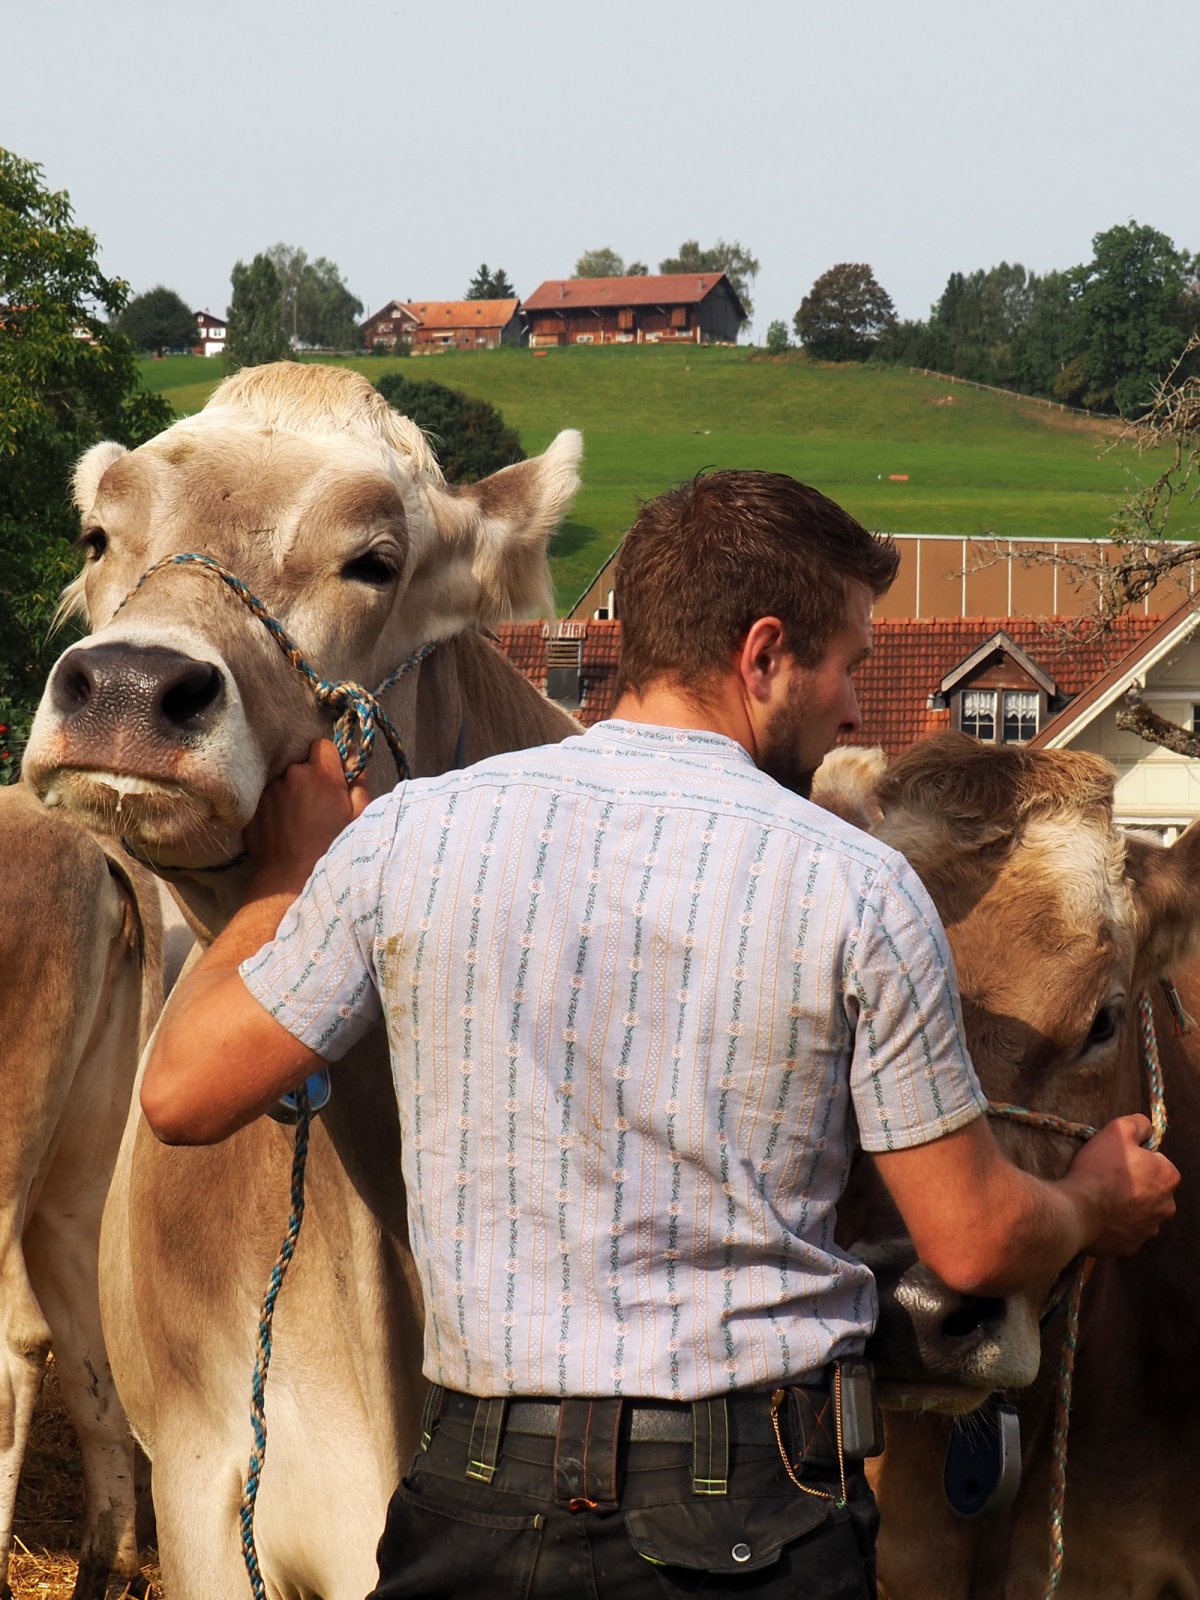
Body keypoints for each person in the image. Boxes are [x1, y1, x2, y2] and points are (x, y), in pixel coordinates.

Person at [142, 469, 1179, 1600]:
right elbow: (974, 1243)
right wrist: (1090, 1199)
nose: (850, 711)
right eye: (850, 667)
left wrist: (284, 884)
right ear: (765, 653)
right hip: (752, 1505)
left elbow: (184, 1094)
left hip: (475, 1498)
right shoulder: (858, 887)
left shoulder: (411, 842)